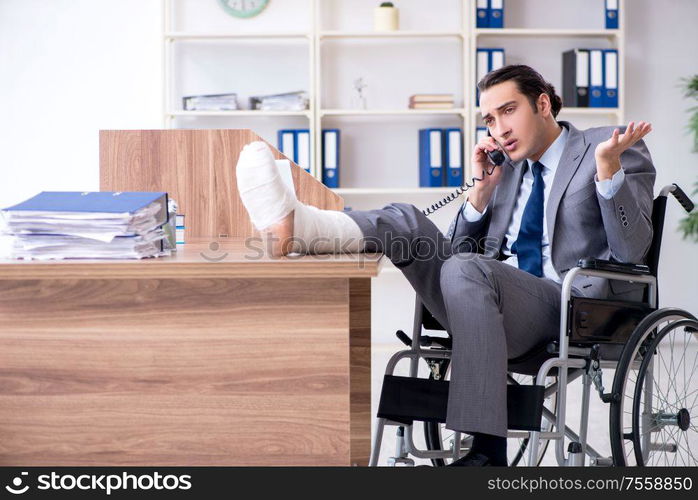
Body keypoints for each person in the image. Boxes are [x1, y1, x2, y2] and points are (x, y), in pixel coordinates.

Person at [235, 65, 655, 466]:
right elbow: (456, 255)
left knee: (466, 269)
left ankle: (488, 451)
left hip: (565, 310)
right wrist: (480, 196)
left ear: (542, 104)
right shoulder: (504, 170)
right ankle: (297, 227)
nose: (499, 129)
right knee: (409, 221)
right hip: (484, 301)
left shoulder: (611, 147)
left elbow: (633, 248)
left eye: (508, 111)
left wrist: (607, 173)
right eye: (489, 119)